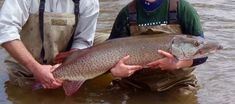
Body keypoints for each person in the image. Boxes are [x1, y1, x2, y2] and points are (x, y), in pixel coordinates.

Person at [0, 0, 109, 89]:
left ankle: (76, 76)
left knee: (111, 42)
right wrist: (35, 68)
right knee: (26, 92)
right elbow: (4, 30)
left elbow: (83, 40)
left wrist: (69, 62)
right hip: (28, 64)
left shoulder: (89, 2)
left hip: (65, 58)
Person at [108, 0, 208, 95]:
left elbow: (203, 54)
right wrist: (115, 71)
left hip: (178, 83)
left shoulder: (183, 9)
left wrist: (178, 64)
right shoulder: (126, 13)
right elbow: (106, 54)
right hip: (135, 83)